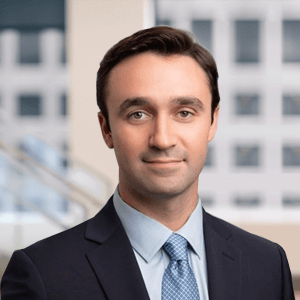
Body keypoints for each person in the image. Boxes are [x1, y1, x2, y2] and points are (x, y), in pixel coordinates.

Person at [1, 26, 295, 300]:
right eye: (138, 114)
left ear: (212, 121)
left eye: (184, 113)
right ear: (107, 129)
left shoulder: (267, 265)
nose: (163, 139)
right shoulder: (42, 275)